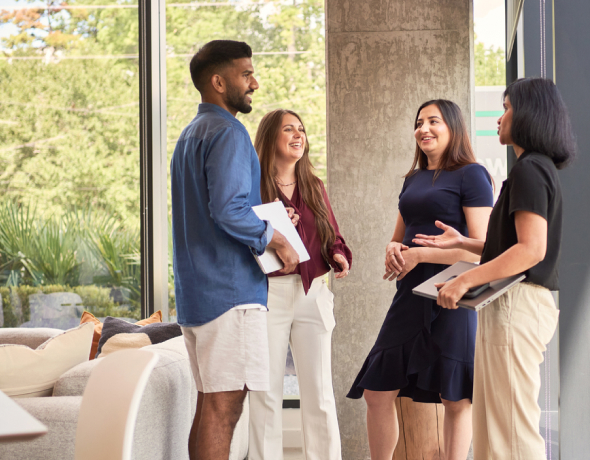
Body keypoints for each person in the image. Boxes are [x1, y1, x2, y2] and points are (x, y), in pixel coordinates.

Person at [414, 77, 576, 459]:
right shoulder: (535, 169)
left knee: (511, 433)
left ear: (529, 114)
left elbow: (530, 251)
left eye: (506, 108)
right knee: (494, 432)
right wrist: (463, 243)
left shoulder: (530, 170)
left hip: (515, 305)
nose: (499, 117)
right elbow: (513, 245)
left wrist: (464, 279)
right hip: (511, 305)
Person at [170, 40, 300, 460]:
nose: (255, 83)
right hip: (229, 295)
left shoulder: (190, 135)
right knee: (224, 410)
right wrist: (275, 237)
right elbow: (228, 210)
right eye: (246, 74)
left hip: (198, 295)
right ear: (218, 81)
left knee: (210, 404)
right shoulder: (228, 131)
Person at [347, 100, 494, 460]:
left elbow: (481, 250)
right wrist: (393, 249)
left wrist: (421, 254)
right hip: (410, 292)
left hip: (453, 290)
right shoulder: (412, 179)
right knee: (377, 391)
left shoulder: (471, 174)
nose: (423, 128)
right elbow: (400, 235)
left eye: (433, 121)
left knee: (455, 396)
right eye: (418, 122)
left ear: (453, 127)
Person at [248, 109, 353, 460]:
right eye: (288, 129)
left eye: (302, 130)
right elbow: (243, 241)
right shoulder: (252, 188)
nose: (298, 135)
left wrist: (338, 254)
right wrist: (273, 230)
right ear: (270, 138)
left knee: (320, 393)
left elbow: (333, 236)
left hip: (314, 291)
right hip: (268, 294)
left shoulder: (314, 185)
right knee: (265, 392)